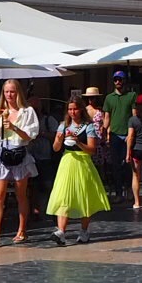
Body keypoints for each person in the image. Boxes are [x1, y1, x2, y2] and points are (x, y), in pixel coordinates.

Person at [46, 97, 110, 244]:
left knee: (83, 196)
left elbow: (92, 150)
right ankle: (61, 231)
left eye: (75, 109)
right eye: (70, 109)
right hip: (67, 161)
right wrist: (59, 140)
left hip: (82, 162)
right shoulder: (63, 125)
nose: (72, 112)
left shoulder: (88, 126)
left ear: (80, 109)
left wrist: (78, 142)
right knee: (63, 195)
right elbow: (56, 148)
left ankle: (84, 230)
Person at [0, 80, 39, 246]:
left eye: (12, 92)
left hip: (19, 152)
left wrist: (14, 127)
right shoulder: (1, 111)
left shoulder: (27, 111)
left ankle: (22, 230)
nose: (9, 95)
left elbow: (30, 136)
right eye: (7, 92)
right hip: (3, 151)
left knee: (20, 194)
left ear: (18, 93)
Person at [101, 73, 139, 200]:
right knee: (116, 165)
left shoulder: (131, 95)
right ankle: (118, 192)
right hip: (114, 135)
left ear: (124, 81)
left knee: (128, 163)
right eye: (115, 80)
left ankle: (128, 190)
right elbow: (107, 117)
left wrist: (132, 133)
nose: (118, 82)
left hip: (128, 134)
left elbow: (134, 115)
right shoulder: (109, 98)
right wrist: (104, 130)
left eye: (120, 79)